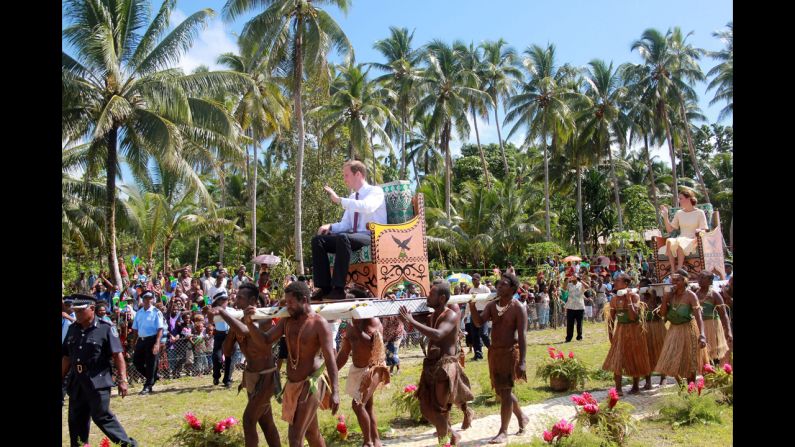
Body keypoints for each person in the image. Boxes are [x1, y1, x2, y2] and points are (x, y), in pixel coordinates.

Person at [259, 281, 340, 447]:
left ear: (304, 300)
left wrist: (336, 392)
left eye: (290, 302)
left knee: (295, 438)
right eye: (286, 302)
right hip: (293, 384)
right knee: (312, 433)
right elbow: (266, 339)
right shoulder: (287, 321)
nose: (287, 306)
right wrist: (247, 322)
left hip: (312, 383)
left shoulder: (319, 323)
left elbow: (330, 359)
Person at [398, 280, 473, 446]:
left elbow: (438, 334)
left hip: (445, 366)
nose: (427, 296)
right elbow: (418, 322)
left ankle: (445, 440)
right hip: (432, 365)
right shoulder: (433, 315)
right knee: (426, 407)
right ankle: (452, 435)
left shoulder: (451, 314)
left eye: (431, 294)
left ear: (442, 298)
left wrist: (411, 320)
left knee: (439, 409)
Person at [206, 283, 281, 447]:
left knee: (248, 420)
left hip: (266, 376)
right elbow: (226, 351)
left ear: (252, 300)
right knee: (265, 422)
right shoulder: (237, 322)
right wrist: (232, 331)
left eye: (240, 298)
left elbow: (248, 332)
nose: (236, 301)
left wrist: (222, 312)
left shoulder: (264, 318)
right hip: (251, 377)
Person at [62, 295, 137, 447]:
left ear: (91, 309)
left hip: (98, 381)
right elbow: (66, 357)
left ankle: (128, 444)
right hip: (77, 382)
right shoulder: (72, 329)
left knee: (101, 416)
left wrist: (123, 380)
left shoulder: (105, 328)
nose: (76, 314)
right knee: (76, 420)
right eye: (75, 311)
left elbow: (118, 355)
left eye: (80, 311)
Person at [311, 160, 387, 301]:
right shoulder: (352, 198)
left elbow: (367, 207)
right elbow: (346, 224)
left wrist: (339, 200)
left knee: (343, 237)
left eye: (346, 175)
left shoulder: (376, 191)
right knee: (318, 240)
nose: (344, 179)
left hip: (373, 236)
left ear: (358, 174)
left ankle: (339, 289)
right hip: (352, 238)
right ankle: (325, 289)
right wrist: (330, 227)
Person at [469, 273, 529, 444]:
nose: (499, 286)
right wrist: (473, 307)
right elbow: (479, 323)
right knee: (502, 392)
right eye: (499, 284)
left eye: (503, 284)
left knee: (507, 390)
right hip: (495, 353)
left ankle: (503, 431)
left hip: (511, 353)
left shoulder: (518, 308)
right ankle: (522, 417)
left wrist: (523, 361)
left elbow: (523, 336)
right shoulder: (491, 306)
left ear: (512, 289)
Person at [336, 316, 390, 447]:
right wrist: (331, 372)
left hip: (374, 368)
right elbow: (344, 352)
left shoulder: (374, 321)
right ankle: (376, 441)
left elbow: (375, 346)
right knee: (367, 407)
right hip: (358, 369)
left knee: (358, 405)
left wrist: (358, 330)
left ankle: (368, 442)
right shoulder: (350, 324)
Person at [654, 270, 709, 385]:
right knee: (671, 359)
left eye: (677, 280)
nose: (674, 282)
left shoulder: (691, 296)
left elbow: (698, 316)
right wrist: (665, 299)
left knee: (690, 361)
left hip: (688, 329)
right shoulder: (670, 295)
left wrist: (702, 335)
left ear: (685, 281)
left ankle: (691, 387)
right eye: (672, 280)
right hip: (674, 330)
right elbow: (663, 314)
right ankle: (681, 385)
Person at [601, 274, 651, 395]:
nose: (615, 282)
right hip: (621, 331)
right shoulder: (614, 299)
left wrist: (628, 299)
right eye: (615, 280)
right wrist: (610, 335)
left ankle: (635, 386)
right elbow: (611, 319)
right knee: (618, 358)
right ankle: (618, 388)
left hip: (635, 330)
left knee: (635, 357)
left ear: (626, 284)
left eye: (618, 280)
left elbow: (634, 317)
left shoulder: (635, 297)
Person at [659, 189, 709, 274]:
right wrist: (665, 216)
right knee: (670, 241)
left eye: (681, 198)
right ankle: (673, 271)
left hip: (694, 239)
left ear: (688, 198)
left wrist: (699, 230)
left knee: (680, 243)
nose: (679, 200)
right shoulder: (679, 213)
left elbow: (704, 229)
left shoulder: (699, 212)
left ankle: (679, 270)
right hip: (682, 237)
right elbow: (669, 230)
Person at [131, 291, 166, 395]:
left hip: (152, 339)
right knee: (137, 362)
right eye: (146, 298)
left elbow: (160, 329)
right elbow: (135, 329)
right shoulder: (139, 312)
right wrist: (134, 342)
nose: (148, 300)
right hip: (141, 340)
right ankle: (153, 376)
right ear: (143, 299)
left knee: (151, 363)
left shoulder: (156, 312)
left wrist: (157, 343)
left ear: (153, 299)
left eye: (150, 298)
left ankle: (148, 386)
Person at [695, 271, 733, 364]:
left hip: (713, 326)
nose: (700, 280)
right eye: (699, 277)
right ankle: (704, 375)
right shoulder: (694, 294)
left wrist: (728, 331)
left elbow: (723, 314)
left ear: (710, 281)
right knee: (700, 354)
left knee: (713, 353)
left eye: (703, 278)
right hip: (698, 326)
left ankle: (713, 374)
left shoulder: (714, 295)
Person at [639, 279, 667, 390]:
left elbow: (661, 311)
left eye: (643, 287)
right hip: (645, 327)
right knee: (646, 353)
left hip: (657, 326)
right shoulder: (639, 297)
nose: (641, 289)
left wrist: (652, 295)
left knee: (661, 351)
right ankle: (648, 381)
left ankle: (663, 377)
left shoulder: (656, 296)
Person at [210, 291, 235, 387]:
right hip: (219, 335)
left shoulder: (232, 310)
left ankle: (227, 380)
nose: (225, 301)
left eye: (226, 299)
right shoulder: (213, 310)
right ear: (218, 301)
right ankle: (216, 376)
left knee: (229, 358)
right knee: (217, 358)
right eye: (222, 300)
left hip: (230, 334)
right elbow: (209, 319)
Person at [467, 273, 492, 360]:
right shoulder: (471, 290)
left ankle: (493, 351)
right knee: (475, 335)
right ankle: (478, 355)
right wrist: (467, 315)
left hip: (484, 312)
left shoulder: (486, 289)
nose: (473, 281)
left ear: (479, 279)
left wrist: (489, 314)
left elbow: (490, 302)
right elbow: (468, 303)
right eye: (472, 279)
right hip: (474, 313)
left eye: (474, 279)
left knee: (484, 334)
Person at [564, 275, 592, 342]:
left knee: (579, 323)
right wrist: (567, 280)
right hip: (570, 307)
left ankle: (579, 337)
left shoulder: (581, 284)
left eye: (575, 276)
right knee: (570, 323)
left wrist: (580, 280)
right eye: (572, 276)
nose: (573, 277)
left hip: (580, 307)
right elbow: (564, 288)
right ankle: (568, 338)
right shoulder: (569, 284)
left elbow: (587, 287)